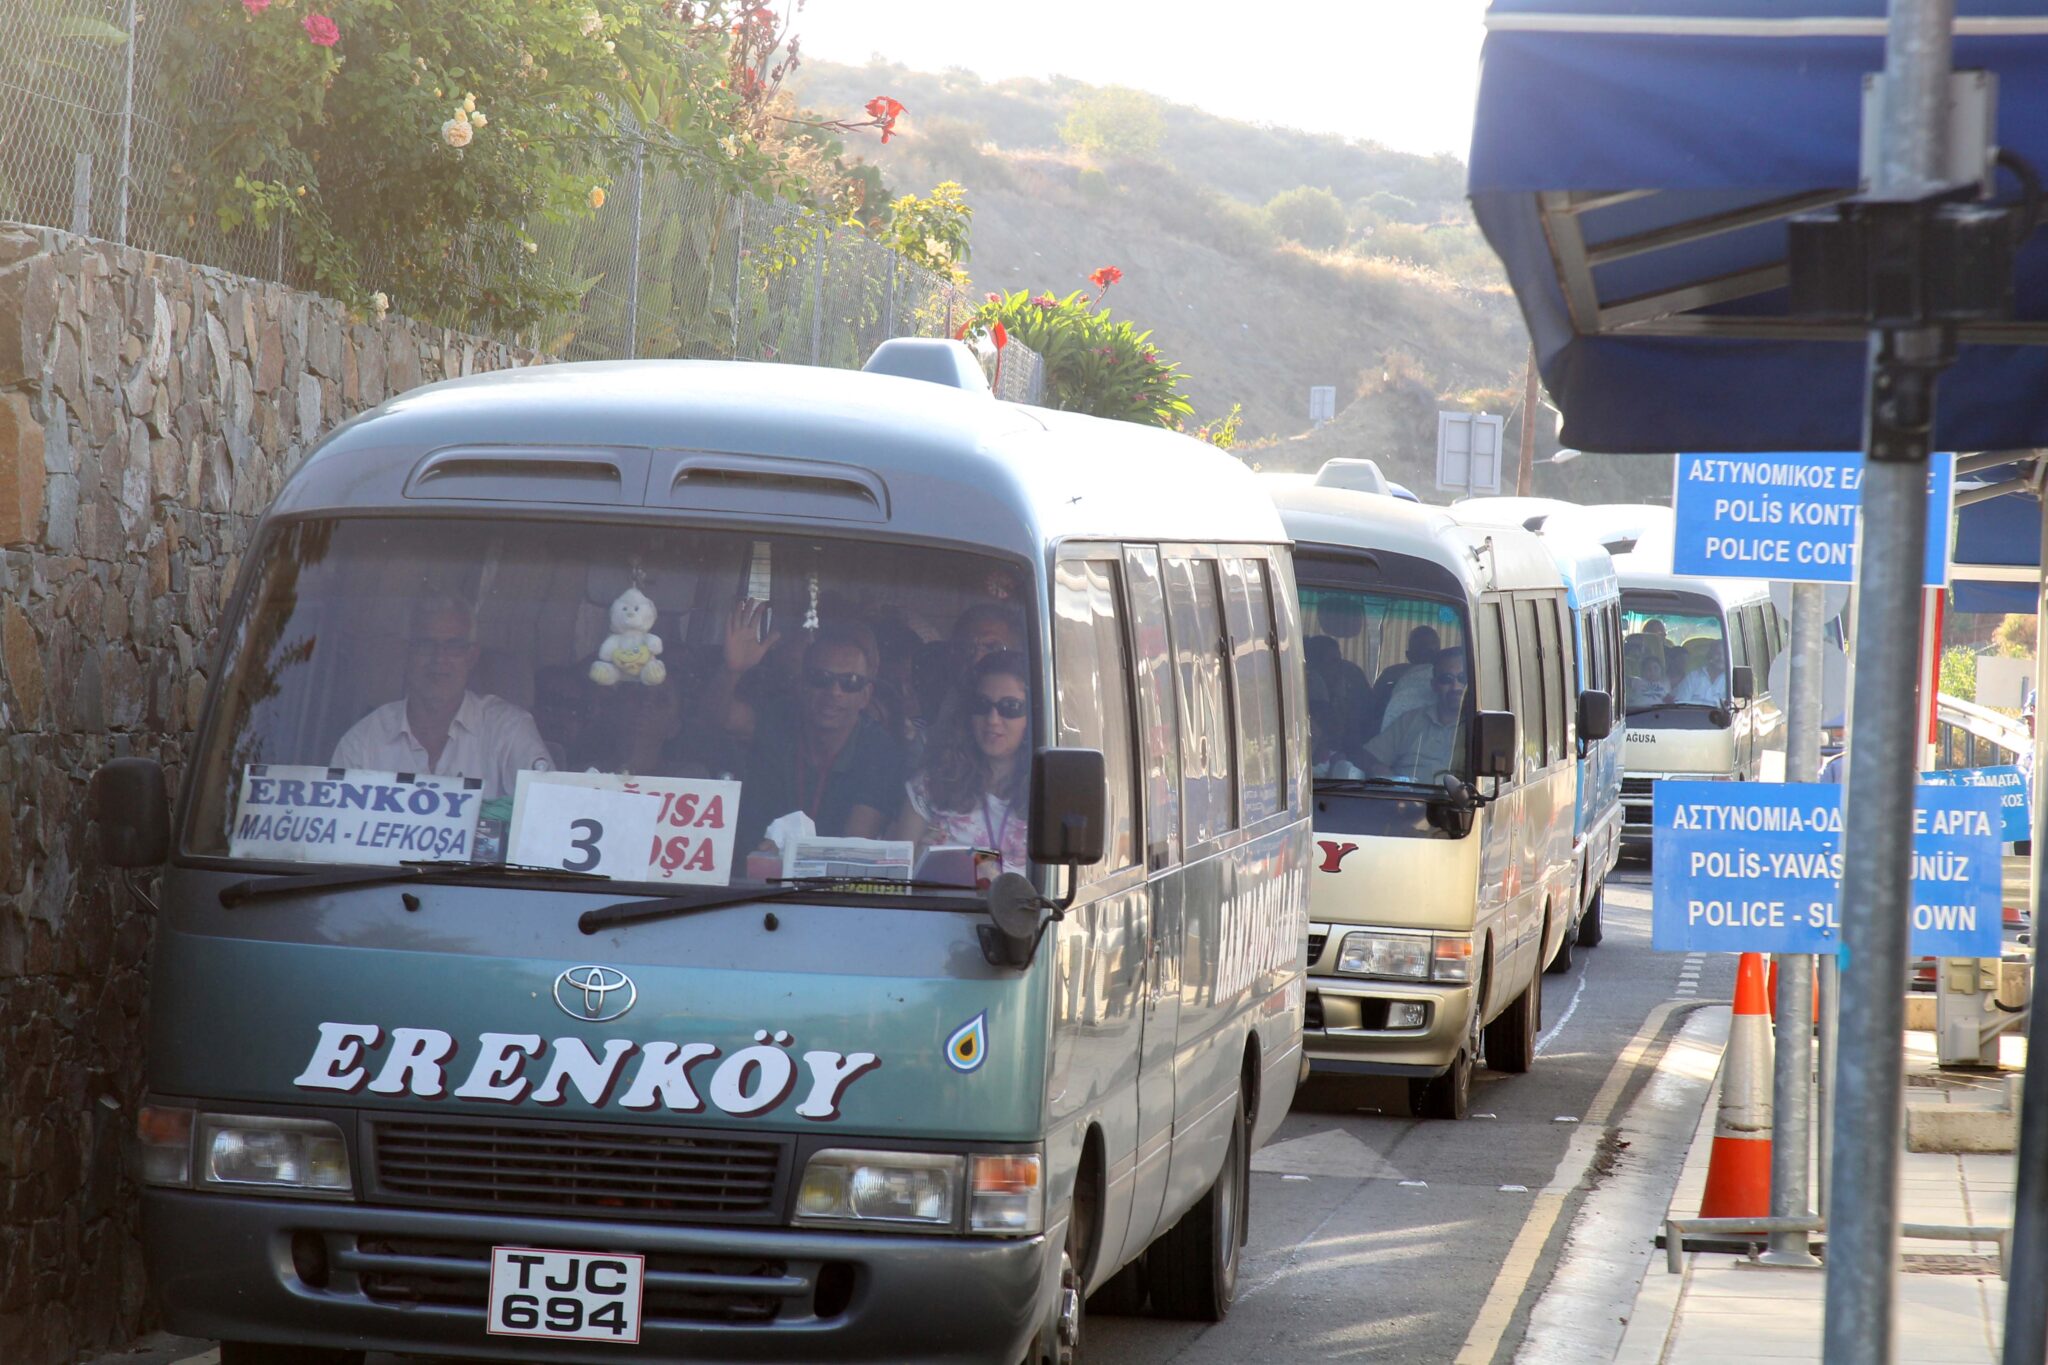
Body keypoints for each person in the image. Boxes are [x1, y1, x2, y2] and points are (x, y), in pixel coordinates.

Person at [720, 601, 907, 852]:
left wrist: (790, 859)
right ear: (802, 684)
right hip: (745, 884)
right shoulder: (780, 716)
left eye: (849, 682)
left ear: (865, 695)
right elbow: (722, 719)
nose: (834, 692)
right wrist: (732, 671)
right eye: (821, 679)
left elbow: (855, 846)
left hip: (827, 888)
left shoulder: (879, 752)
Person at [331, 593, 552, 800]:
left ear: (471, 656)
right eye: (426, 645)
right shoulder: (365, 740)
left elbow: (545, 814)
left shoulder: (508, 730)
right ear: (407, 653)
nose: (439, 658)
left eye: (453, 646)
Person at [892, 649, 1033, 873]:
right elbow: (895, 874)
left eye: (1010, 707)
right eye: (982, 705)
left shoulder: (1049, 795)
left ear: (1033, 715)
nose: (992, 720)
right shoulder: (932, 783)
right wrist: (918, 858)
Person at [1361, 646, 1468, 781]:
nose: (1455, 686)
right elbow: (1369, 757)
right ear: (1434, 684)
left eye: (1462, 678)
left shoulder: (1481, 726)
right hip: (1406, 798)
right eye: (1446, 679)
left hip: (1456, 801)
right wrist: (1383, 774)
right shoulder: (1410, 720)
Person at [1375, 624, 1445, 732]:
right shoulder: (1390, 676)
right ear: (1409, 655)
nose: (1427, 656)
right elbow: (1373, 710)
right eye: (1421, 650)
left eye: (1431, 652)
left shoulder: (1450, 683)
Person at [1672, 639, 1728, 705]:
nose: (1721, 658)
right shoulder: (1693, 677)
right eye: (1717, 654)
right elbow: (1680, 705)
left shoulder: (1731, 681)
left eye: (1725, 654)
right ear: (1710, 655)